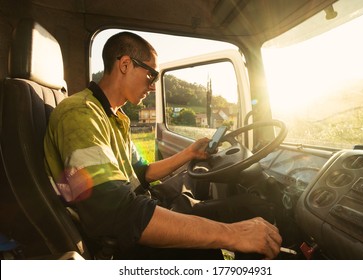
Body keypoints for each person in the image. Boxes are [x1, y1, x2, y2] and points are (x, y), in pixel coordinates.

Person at [44, 31, 282, 259]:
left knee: (252, 206)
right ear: (125, 64)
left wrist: (190, 153)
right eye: (151, 75)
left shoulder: (114, 116)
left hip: (141, 212)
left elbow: (143, 172)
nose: (153, 86)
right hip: (127, 242)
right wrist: (233, 234)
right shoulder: (80, 114)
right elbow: (115, 212)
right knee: (242, 221)